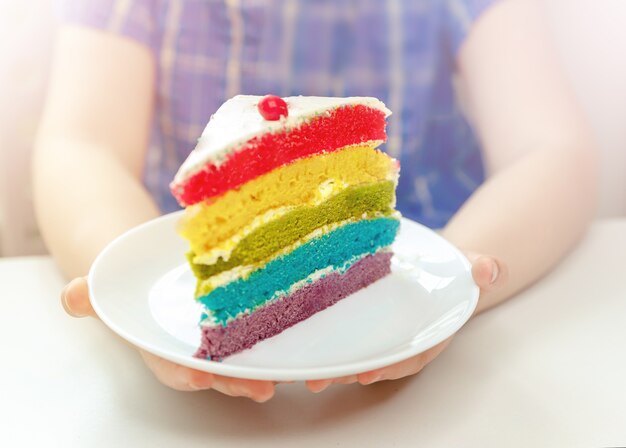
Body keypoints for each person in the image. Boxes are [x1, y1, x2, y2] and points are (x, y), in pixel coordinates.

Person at [34, 0, 597, 402]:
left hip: (438, 273)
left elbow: (551, 149)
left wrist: (453, 285)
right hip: (196, 275)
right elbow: (83, 145)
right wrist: (129, 292)